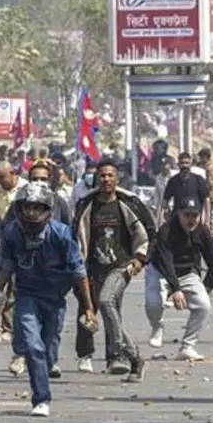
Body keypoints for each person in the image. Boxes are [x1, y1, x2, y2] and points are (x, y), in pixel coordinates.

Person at [0, 182, 96, 417]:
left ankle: (44, 371)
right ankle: (41, 398)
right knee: (32, 346)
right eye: (26, 207)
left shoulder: (61, 235)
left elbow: (79, 272)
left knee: (48, 350)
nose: (30, 213)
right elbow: (7, 267)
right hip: (27, 295)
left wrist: (88, 307)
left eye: (36, 208)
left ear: (47, 210)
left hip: (55, 297)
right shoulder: (11, 233)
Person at [72, 158, 153, 379]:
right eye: (102, 175)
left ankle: (118, 353)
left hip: (120, 266)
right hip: (93, 268)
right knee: (107, 311)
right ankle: (134, 358)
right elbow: (76, 238)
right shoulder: (86, 204)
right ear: (96, 178)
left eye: (110, 175)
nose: (106, 179)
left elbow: (148, 231)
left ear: (117, 178)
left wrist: (140, 258)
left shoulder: (129, 202)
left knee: (107, 301)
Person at [146, 196, 213, 361]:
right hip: (160, 271)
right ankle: (157, 326)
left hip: (187, 272)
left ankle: (187, 347)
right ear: (178, 214)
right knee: (154, 304)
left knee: (203, 306)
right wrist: (176, 289)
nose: (191, 220)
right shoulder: (166, 230)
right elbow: (166, 261)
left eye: (195, 215)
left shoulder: (202, 231)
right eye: (187, 215)